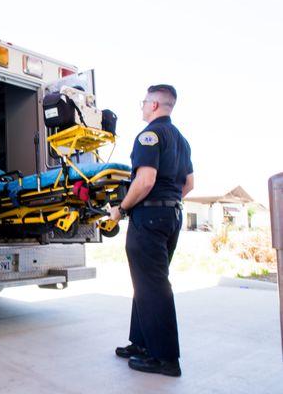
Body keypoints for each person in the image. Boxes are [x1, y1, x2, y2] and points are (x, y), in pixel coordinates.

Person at [109, 84, 194, 377]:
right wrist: (168, 203)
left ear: (155, 105)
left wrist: (120, 209)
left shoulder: (149, 135)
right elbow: (189, 184)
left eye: (144, 102)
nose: (142, 106)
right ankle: (141, 343)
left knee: (153, 286)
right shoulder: (181, 140)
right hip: (171, 216)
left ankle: (165, 359)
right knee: (147, 283)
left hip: (149, 218)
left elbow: (145, 181)